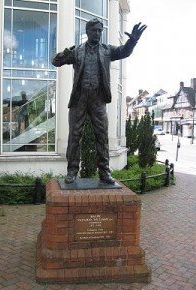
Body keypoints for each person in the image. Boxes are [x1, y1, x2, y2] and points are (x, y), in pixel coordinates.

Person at [52, 18, 146, 184]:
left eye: (99, 31)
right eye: (94, 30)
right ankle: (72, 171)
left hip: (98, 99)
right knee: (74, 136)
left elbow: (124, 52)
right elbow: (56, 62)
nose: (97, 33)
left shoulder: (107, 50)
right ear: (87, 32)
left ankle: (104, 172)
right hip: (79, 99)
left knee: (101, 136)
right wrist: (65, 53)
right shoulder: (77, 51)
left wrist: (133, 40)